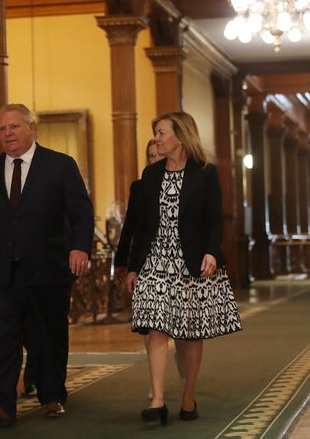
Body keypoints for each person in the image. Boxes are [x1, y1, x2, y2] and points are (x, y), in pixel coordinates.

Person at [0, 103, 94, 427]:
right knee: (2, 339)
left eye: (14, 127)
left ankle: (52, 396)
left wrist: (80, 247)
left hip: (47, 269)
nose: (8, 135)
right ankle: (3, 404)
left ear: (32, 129)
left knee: (48, 336)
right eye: (2, 129)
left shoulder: (60, 165)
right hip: (1, 273)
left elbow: (81, 212)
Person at [125, 111, 242, 424]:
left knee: (190, 334)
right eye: (157, 133)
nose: (158, 139)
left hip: (190, 262)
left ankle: (188, 398)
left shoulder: (205, 173)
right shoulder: (150, 175)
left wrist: (212, 253)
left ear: (181, 135)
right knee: (155, 326)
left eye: (162, 132)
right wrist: (133, 266)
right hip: (155, 261)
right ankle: (157, 399)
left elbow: (214, 219)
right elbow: (141, 226)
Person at [115, 139, 189, 395]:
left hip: (179, 263)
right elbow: (130, 228)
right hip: (148, 263)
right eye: (150, 156)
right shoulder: (141, 186)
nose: (155, 160)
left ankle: (184, 375)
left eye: (158, 155)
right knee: (153, 324)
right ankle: (156, 386)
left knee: (180, 327)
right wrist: (122, 262)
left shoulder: (184, 181)